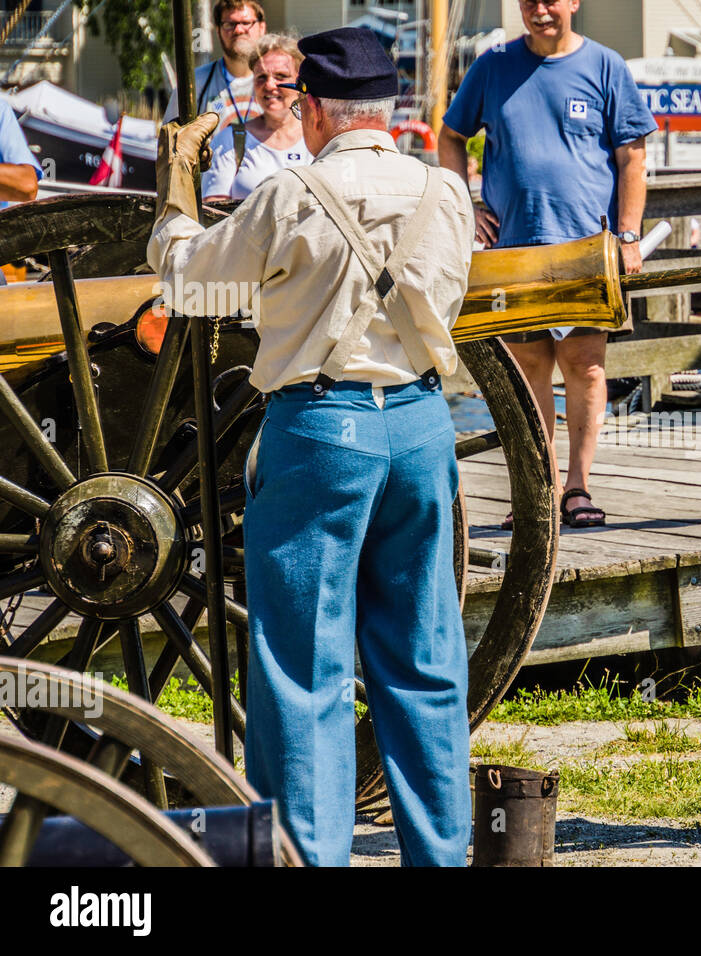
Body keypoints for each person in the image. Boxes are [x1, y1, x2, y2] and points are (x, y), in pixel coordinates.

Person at [148, 27, 475, 866]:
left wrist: (176, 193)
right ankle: (441, 855)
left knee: (304, 670)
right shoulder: (445, 193)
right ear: (388, 111)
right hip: (421, 425)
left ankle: (309, 858)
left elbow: (189, 284)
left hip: (324, 430)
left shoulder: (290, 193)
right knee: (427, 661)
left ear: (316, 111)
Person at [439, 0, 658, 530]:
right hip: (514, 248)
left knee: (586, 366)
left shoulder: (605, 65)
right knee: (528, 369)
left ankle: (578, 486)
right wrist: (464, 205)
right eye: (529, 1)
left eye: (550, 0)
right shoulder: (493, 65)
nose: (539, 10)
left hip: (587, 248)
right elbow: (449, 137)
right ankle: (539, 488)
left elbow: (632, 157)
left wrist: (629, 236)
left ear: (573, 2)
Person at [203, 34, 312, 200]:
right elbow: (212, 209)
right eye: (261, 77)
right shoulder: (229, 141)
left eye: (281, 76)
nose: (269, 85)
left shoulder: (318, 137)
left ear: (300, 81)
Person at [164, 1, 267, 135]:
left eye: (246, 23)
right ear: (218, 31)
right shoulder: (194, 84)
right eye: (229, 24)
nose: (238, 30)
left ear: (262, 27)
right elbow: (169, 141)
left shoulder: (278, 85)